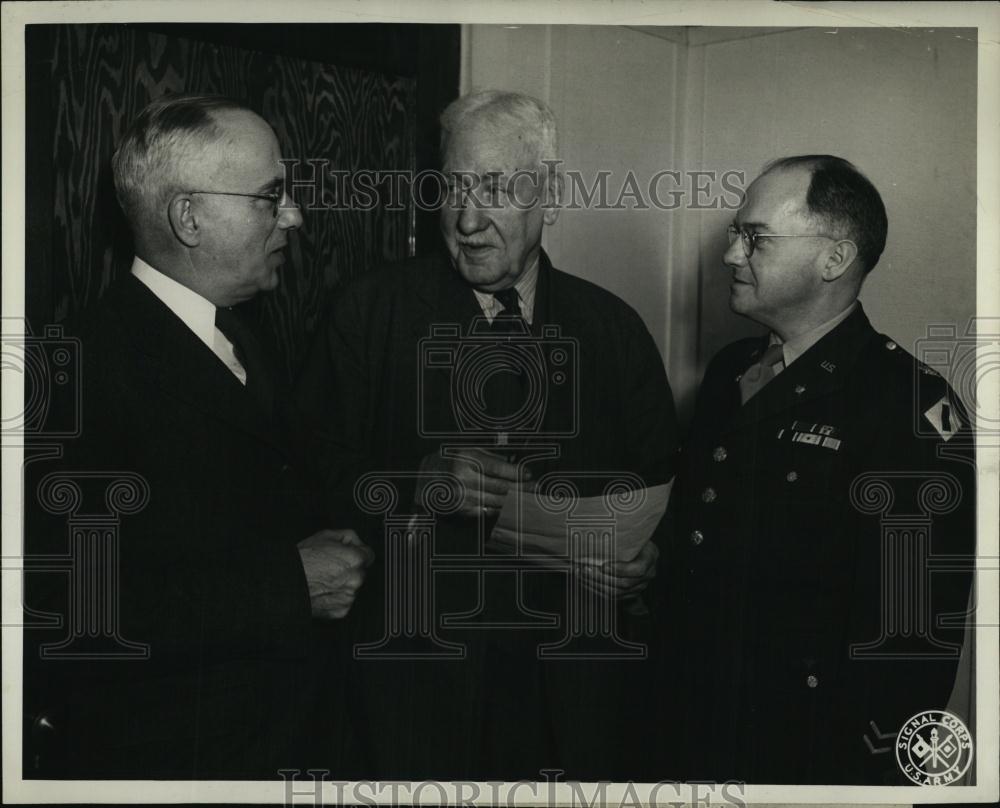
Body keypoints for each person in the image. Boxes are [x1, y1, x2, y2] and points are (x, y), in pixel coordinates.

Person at [297, 90, 678, 780]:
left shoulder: (613, 329)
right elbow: (306, 478)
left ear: (551, 198)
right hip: (413, 694)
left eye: (496, 189)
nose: (467, 220)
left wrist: (647, 565)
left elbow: (664, 493)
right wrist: (418, 481)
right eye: (452, 189)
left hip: (568, 697)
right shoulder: (366, 313)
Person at [23, 94, 373, 779]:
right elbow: (61, 613)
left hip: (283, 744)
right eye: (271, 196)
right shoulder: (76, 371)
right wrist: (289, 584)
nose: (294, 216)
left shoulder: (242, 328)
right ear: (188, 216)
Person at [664, 155, 975, 784]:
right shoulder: (731, 371)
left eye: (755, 237)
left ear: (833, 260)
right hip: (694, 724)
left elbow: (910, 639)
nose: (730, 254)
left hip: (805, 750)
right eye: (735, 233)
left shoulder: (907, 406)